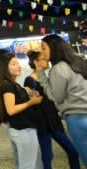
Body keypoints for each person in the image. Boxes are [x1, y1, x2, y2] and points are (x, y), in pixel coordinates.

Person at [35, 34, 87, 166]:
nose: (41, 51)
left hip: (76, 118)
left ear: (54, 48)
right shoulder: (79, 62)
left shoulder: (58, 69)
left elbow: (56, 97)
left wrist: (41, 73)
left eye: (44, 48)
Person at [24, 50, 80, 169]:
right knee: (47, 156)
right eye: (43, 59)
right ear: (36, 62)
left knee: (73, 151)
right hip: (42, 123)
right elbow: (32, 100)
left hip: (54, 121)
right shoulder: (29, 80)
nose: (47, 61)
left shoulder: (47, 77)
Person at [0, 49, 43, 169]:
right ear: (4, 68)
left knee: (24, 163)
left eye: (17, 62)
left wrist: (28, 91)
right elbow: (11, 110)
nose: (18, 66)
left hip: (20, 129)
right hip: (23, 129)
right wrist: (31, 102)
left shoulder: (12, 84)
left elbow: (25, 93)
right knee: (28, 165)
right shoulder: (8, 85)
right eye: (13, 64)